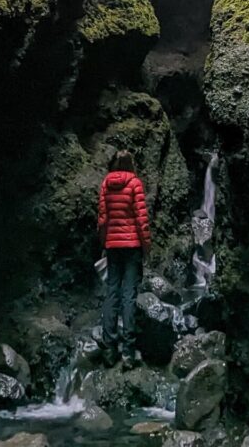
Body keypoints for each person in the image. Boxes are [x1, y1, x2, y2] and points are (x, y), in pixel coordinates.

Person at [97, 149, 151, 369]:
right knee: (128, 294)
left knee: (112, 292)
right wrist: (146, 247)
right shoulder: (135, 184)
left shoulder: (105, 185)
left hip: (112, 246)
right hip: (131, 247)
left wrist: (104, 243)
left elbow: (102, 219)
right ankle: (128, 352)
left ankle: (109, 348)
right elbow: (141, 220)